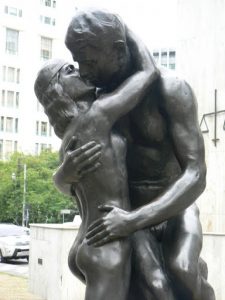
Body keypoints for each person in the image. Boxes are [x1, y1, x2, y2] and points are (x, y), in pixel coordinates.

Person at [56, 8, 215, 300]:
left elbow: (196, 174)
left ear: (118, 51)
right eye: (77, 63)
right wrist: (64, 175)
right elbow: (73, 186)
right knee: (155, 288)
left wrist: (134, 220)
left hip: (174, 206)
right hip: (125, 211)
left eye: (89, 62)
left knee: (183, 271)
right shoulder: (99, 105)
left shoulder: (171, 90)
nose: (84, 72)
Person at [34, 30, 160, 300]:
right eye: (69, 70)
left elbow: (71, 185)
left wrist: (60, 178)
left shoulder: (71, 136)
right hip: (106, 242)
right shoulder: (95, 117)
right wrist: (122, 30)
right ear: (58, 89)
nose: (79, 70)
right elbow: (149, 73)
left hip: (92, 238)